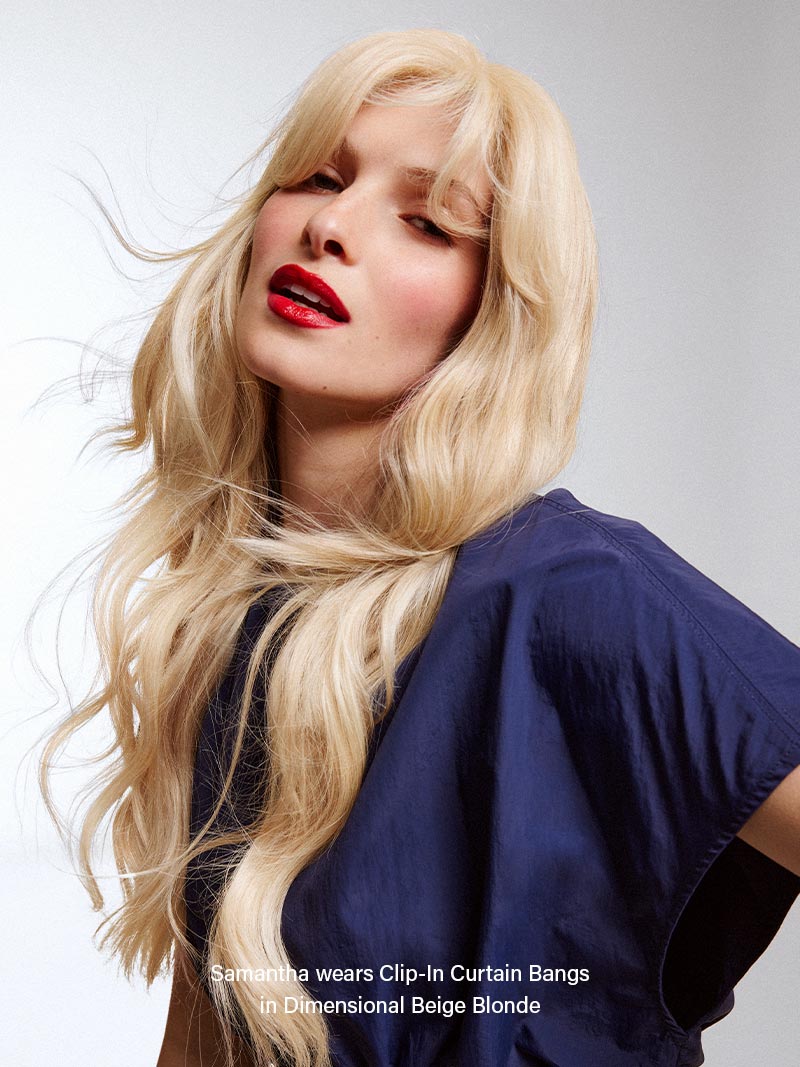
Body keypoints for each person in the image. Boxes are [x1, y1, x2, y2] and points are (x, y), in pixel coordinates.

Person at [39, 28, 800, 1067]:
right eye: (320, 178)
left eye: (428, 222)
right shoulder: (231, 631)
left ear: (490, 313)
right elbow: (209, 1038)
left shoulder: (572, 589)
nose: (331, 228)